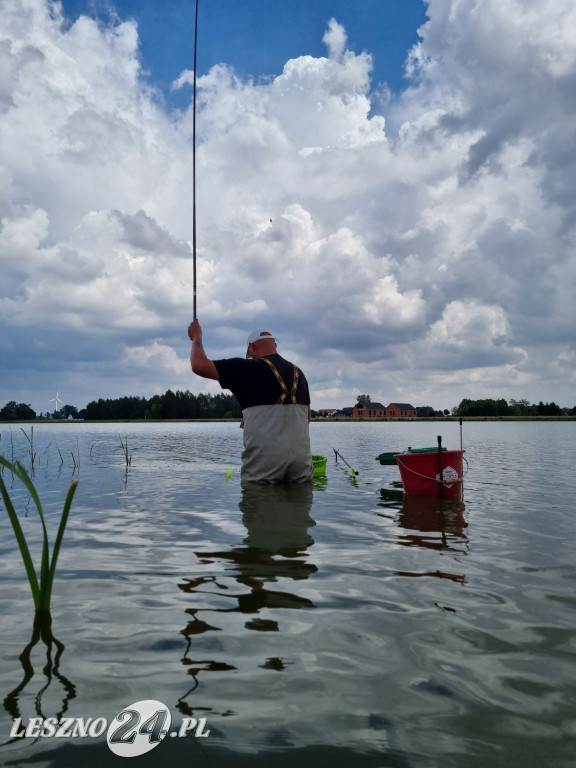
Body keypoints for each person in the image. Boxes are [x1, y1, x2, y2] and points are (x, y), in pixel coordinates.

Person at [188, 319, 314, 483]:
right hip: (301, 469)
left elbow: (198, 365)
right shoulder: (300, 374)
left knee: (257, 502)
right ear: (275, 346)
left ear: (252, 348)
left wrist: (196, 338)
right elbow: (308, 418)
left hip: (264, 471)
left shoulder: (247, 368)